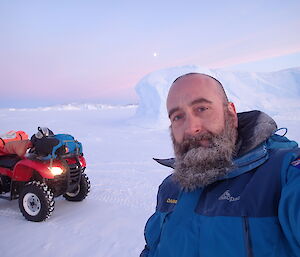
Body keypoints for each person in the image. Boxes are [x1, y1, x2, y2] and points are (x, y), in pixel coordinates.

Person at [140, 72, 300, 257]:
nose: (192, 128)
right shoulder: (170, 188)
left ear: (230, 112)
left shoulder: (285, 174)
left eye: (202, 108)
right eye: (177, 117)